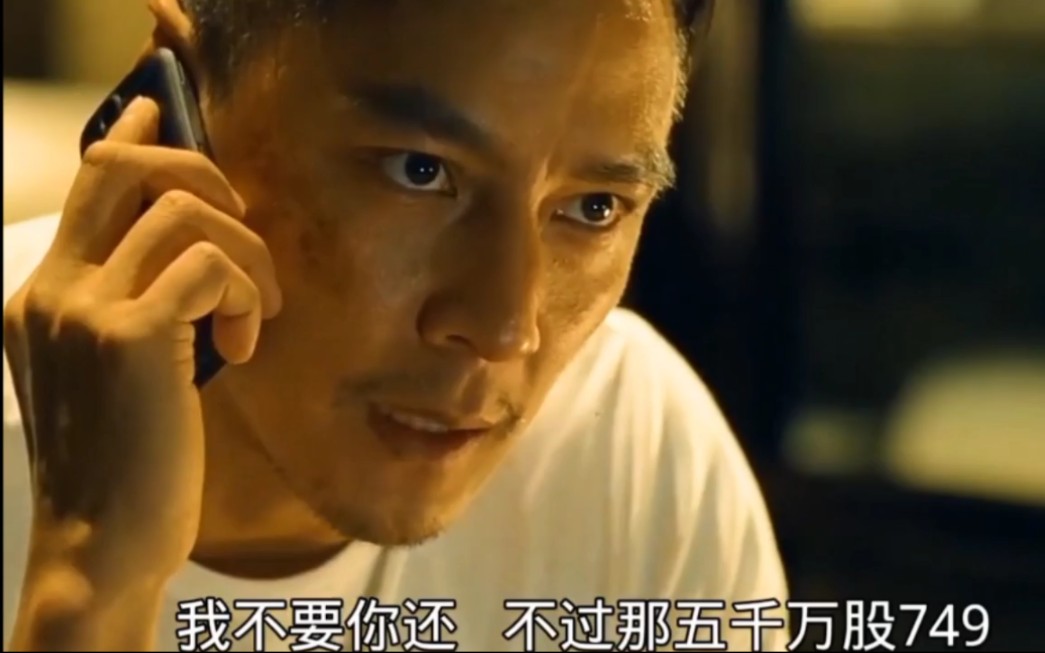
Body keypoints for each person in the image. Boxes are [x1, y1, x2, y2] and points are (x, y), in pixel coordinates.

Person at [2, 0, 790, 650]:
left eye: (593, 208)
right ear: (182, 90)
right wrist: (87, 589)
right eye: (419, 170)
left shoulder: (631, 449)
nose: (505, 328)